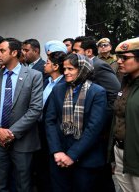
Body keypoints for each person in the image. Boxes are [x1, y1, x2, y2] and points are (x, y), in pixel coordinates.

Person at [0, 38, 43, 192]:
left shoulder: (34, 76)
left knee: (23, 185)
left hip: (23, 141)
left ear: (14, 52)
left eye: (2, 50)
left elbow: (35, 109)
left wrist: (11, 133)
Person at [45, 53, 108, 192]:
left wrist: (72, 155)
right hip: (59, 158)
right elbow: (49, 121)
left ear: (82, 69)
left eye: (70, 69)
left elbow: (94, 128)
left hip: (86, 160)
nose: (66, 72)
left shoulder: (97, 92)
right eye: (64, 69)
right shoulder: (58, 89)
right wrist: (57, 151)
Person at [73, 36, 121, 192]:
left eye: (76, 51)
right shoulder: (80, 68)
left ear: (88, 51)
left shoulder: (98, 66)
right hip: (86, 127)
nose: (73, 54)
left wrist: (99, 119)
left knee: (100, 172)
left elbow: (114, 93)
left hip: (98, 129)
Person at [33, 51, 66, 192]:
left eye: (47, 62)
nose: (44, 65)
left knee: (56, 174)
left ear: (56, 66)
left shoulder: (65, 84)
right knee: (42, 169)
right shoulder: (46, 81)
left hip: (55, 133)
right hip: (40, 130)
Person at [111, 37, 139, 192]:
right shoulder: (125, 82)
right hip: (120, 151)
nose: (119, 61)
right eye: (118, 57)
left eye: (125, 57)